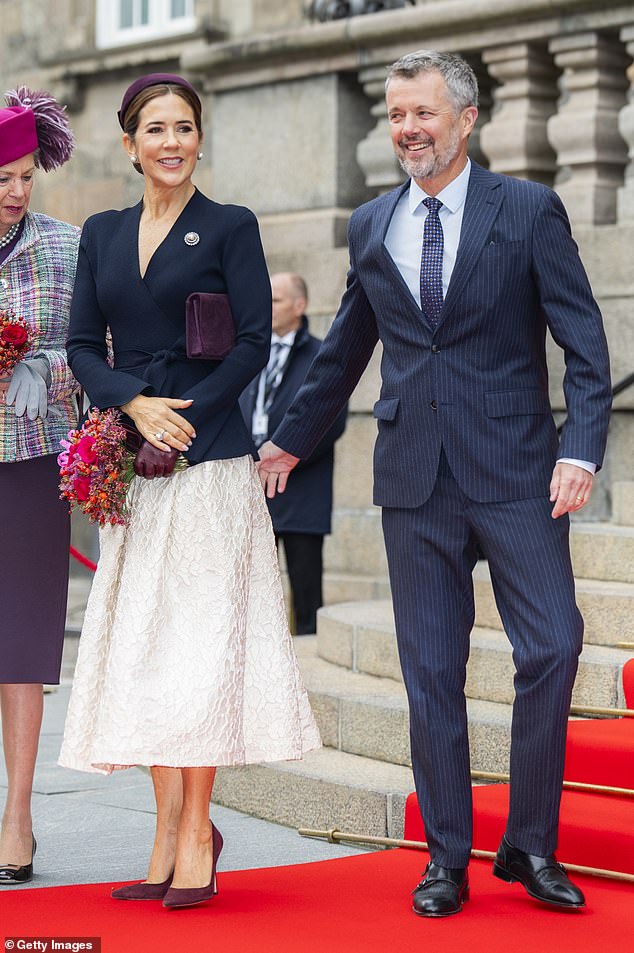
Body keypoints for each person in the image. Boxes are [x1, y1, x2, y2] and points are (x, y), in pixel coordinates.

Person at [257, 50, 611, 917]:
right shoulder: (373, 222)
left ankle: (529, 844)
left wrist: (582, 450)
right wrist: (287, 443)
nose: (407, 128)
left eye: (422, 113)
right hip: (414, 477)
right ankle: (446, 854)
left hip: (520, 473)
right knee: (428, 671)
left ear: (466, 118)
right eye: (396, 115)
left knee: (554, 645)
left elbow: (586, 343)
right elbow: (344, 349)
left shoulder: (527, 209)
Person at [58, 73, 320, 909]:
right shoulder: (99, 233)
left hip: (207, 467)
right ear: (130, 144)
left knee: (199, 650)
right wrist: (130, 404)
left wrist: (184, 415)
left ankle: (196, 831)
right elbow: (78, 344)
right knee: (147, 654)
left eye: (185, 127)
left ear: (200, 140)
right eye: (155, 129)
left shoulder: (230, 225)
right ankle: (167, 831)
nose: (171, 142)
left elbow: (249, 343)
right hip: (135, 472)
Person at [0, 88, 79, 885]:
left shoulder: (68, 248)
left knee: (20, 646)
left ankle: (17, 817)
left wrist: (46, 365)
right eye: (1, 179)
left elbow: (100, 349)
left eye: (25, 175)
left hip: (28, 464)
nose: (17, 191)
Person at [239, 272, 347, 634]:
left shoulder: (322, 356)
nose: (266, 307)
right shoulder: (248, 352)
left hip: (301, 489)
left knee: (305, 591)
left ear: (300, 306)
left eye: (276, 300)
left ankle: (308, 660)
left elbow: (332, 421)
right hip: (250, 485)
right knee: (250, 590)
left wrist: (286, 454)